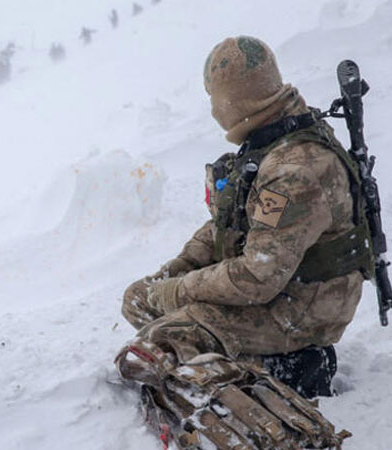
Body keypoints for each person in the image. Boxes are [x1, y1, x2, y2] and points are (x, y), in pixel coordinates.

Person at [115, 36, 366, 448]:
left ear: (233, 100)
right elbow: (228, 225)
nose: (214, 110)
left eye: (214, 99)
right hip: (283, 286)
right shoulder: (269, 138)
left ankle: (288, 380)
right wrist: (177, 270)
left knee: (161, 342)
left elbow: (257, 276)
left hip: (304, 309)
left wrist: (178, 291)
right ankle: (241, 360)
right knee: (139, 301)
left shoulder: (293, 170)